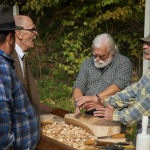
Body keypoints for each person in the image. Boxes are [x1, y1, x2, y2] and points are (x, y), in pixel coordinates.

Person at [82, 34, 150, 134]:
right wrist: (105, 102)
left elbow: (144, 107)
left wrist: (116, 116)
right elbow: (133, 91)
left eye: (149, 44)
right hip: (144, 126)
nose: (144, 46)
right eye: (145, 43)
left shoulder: (123, 62)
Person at [0, 5, 40, 149]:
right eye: (32, 29)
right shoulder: (3, 65)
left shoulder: (13, 59)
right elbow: (2, 113)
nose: (36, 33)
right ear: (14, 36)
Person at [73, 33, 133, 116]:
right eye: (94, 55)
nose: (97, 59)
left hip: (114, 114)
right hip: (90, 114)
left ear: (111, 52)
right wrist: (79, 102)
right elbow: (78, 87)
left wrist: (93, 98)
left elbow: (117, 87)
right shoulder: (87, 63)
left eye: (101, 56)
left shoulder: (123, 62)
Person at [11, 15, 40, 120]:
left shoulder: (21, 56)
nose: (36, 33)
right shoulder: (9, 57)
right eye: (32, 29)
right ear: (19, 34)